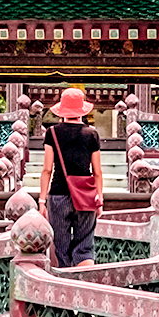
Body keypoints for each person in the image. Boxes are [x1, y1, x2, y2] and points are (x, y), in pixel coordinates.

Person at [38, 87, 104, 267]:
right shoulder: (92, 134)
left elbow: (47, 169)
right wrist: (100, 199)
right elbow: (97, 171)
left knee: (61, 244)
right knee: (84, 245)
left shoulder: (52, 133)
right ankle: (83, 284)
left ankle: (65, 284)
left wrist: (42, 201)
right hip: (86, 195)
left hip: (59, 194)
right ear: (82, 110)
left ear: (62, 110)